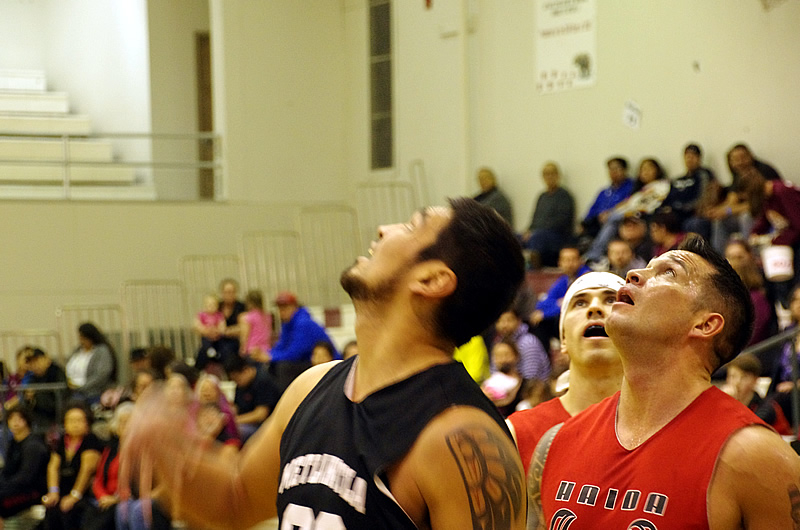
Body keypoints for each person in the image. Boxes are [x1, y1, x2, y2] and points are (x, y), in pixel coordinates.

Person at [122, 198, 527, 529]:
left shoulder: (461, 437)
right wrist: (166, 445)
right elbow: (234, 502)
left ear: (433, 279)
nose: (384, 229)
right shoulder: (310, 387)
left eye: (410, 225)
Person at [528, 234, 800, 528]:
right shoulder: (553, 443)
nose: (633, 274)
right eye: (646, 266)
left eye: (669, 272)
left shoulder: (757, 457)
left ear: (705, 324)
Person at [507, 271, 624, 476]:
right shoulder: (519, 432)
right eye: (580, 303)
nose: (595, 308)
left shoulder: (666, 430)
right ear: (563, 339)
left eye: (611, 300)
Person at [583, 158, 670, 264]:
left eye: (649, 169)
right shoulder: (639, 189)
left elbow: (650, 205)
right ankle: (597, 256)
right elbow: (627, 203)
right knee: (611, 222)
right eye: (643, 170)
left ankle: (595, 255)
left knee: (613, 218)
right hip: (628, 214)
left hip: (643, 215)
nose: (645, 172)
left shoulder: (662, 185)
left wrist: (617, 213)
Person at [44, 402, 102, 530]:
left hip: (85, 493)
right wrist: (53, 491)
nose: (75, 424)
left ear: (87, 423)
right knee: (51, 508)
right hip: (63, 490)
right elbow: (53, 467)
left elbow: (87, 470)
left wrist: (75, 496)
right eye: (71, 421)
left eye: (79, 420)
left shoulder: (90, 440)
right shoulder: (62, 441)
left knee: (70, 510)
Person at [81, 402, 135, 530]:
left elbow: (137, 485)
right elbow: (98, 480)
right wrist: (103, 496)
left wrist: (116, 499)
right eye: (122, 422)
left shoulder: (140, 451)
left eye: (130, 422)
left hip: (124, 500)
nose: (126, 426)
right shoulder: (110, 449)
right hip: (104, 499)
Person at [269, 291, 336, 391]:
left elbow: (294, 354)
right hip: (308, 361)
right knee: (272, 366)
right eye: (279, 308)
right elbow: (281, 345)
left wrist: (270, 357)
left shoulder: (303, 323)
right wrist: (268, 355)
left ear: (294, 306)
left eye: (284, 307)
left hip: (326, 362)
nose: (281, 312)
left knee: (284, 367)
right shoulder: (287, 323)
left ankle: (289, 398)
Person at [529, 246, 591, 351]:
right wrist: (557, 303)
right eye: (566, 260)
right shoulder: (565, 279)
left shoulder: (586, 277)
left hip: (583, 319)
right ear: (559, 263)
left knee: (551, 319)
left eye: (573, 259)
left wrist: (545, 314)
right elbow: (543, 303)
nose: (569, 264)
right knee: (539, 323)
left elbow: (573, 304)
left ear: (580, 261)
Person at [660, 143, 720, 241]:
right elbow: (668, 199)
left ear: (699, 158)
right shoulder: (677, 180)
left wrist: (682, 208)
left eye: (693, 156)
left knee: (693, 224)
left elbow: (703, 198)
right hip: (675, 214)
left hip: (692, 215)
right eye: (687, 156)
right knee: (657, 223)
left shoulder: (704, 174)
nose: (690, 159)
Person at [521, 162, 575, 268]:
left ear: (558, 176)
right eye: (546, 174)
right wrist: (528, 230)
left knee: (537, 237)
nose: (549, 177)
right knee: (515, 237)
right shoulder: (542, 196)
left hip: (558, 235)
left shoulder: (564, 196)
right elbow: (535, 219)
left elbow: (562, 221)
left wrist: (535, 231)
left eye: (552, 173)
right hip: (538, 232)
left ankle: (534, 269)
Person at [0, 404, 49, 522]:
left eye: (19, 419)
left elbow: (26, 478)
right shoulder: (13, 443)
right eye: (12, 419)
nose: (15, 423)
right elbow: (7, 470)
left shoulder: (33, 445)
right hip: (14, 488)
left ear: (27, 420)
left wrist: (4, 486)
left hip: (33, 492)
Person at [225, 354, 282, 443]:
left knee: (236, 431)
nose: (237, 383)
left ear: (246, 370)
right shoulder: (240, 385)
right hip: (246, 421)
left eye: (237, 379)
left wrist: (235, 420)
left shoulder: (263, 381)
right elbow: (236, 406)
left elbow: (261, 415)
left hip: (264, 426)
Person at [196, 279, 247, 370]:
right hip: (214, 338)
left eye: (232, 292)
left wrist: (225, 331)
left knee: (226, 351)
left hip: (233, 339)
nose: (229, 295)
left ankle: (228, 373)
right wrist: (206, 330)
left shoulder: (241, 307)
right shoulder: (216, 305)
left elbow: (244, 327)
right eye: (226, 292)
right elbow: (201, 320)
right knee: (203, 351)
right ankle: (197, 372)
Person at [578, 157, 634, 240]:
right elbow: (593, 209)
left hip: (616, 224)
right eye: (610, 169)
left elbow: (628, 205)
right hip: (597, 224)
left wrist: (610, 213)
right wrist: (584, 223)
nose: (613, 172)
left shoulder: (632, 187)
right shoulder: (604, 192)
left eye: (616, 168)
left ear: (624, 170)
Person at [493, 308, 550, 382]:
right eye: (500, 321)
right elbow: (493, 371)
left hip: (533, 386)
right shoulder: (498, 342)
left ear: (519, 321)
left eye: (509, 320)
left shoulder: (528, 342)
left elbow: (530, 377)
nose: (504, 325)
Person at [66, 323, 117, 402]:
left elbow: (101, 374)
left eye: (84, 337)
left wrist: (82, 387)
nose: (81, 340)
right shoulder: (77, 350)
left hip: (93, 393)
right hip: (74, 391)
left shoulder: (102, 351)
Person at [23, 347, 68, 429]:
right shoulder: (32, 379)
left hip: (56, 416)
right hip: (40, 418)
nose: (34, 365)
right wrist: (29, 399)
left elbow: (60, 399)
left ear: (47, 359)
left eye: (36, 360)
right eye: (31, 362)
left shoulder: (57, 373)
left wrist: (36, 395)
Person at [481, 340, 525, 417]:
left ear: (516, 356)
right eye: (498, 356)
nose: (503, 360)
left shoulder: (525, 385)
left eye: (507, 355)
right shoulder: (487, 386)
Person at [193, 293, 226, 368]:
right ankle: (209, 350)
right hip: (206, 335)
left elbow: (222, 325)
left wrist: (218, 331)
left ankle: (217, 354)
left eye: (213, 305)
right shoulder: (202, 314)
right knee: (205, 342)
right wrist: (205, 330)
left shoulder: (219, 315)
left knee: (221, 344)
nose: (211, 307)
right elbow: (197, 325)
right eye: (209, 305)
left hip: (217, 336)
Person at [238, 289, 272, 363]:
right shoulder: (267, 316)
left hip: (252, 351)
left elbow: (245, 336)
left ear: (249, 303)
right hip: (266, 350)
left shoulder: (246, 317)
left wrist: (242, 349)